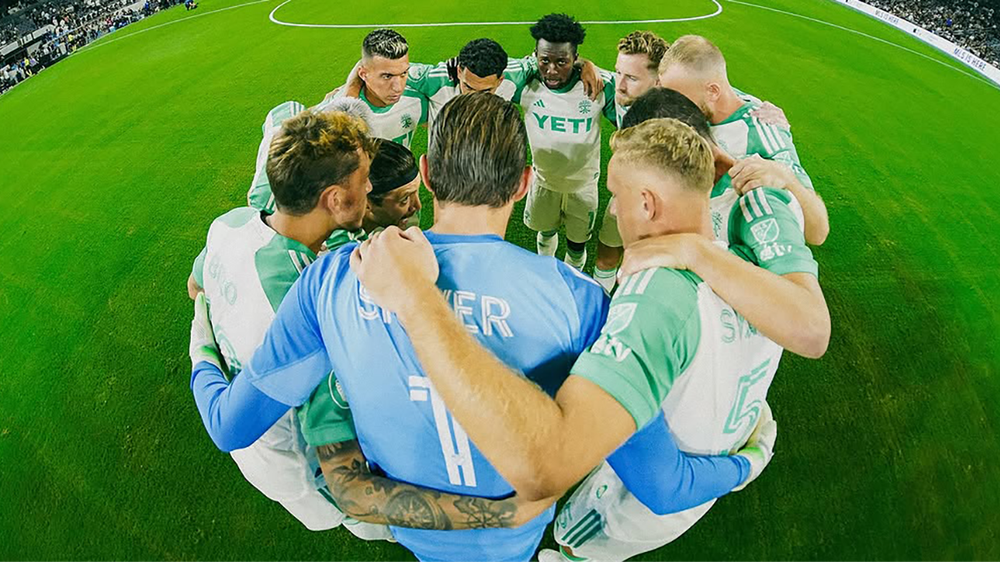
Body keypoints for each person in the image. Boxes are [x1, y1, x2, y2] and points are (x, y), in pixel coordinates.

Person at [189, 93, 762, 562]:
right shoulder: (584, 302)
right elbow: (661, 485)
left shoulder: (334, 278)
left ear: (428, 174)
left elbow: (233, 426)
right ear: (522, 185)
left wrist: (204, 341)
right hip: (514, 542)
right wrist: (747, 460)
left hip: (412, 531)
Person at [658, 35, 830, 246]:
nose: (673, 106)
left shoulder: (763, 131)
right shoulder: (698, 98)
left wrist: (785, 177)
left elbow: (818, 231)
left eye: (680, 99)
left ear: (713, 91)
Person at [518, 13, 616, 271]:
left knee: (577, 245)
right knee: (546, 233)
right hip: (544, 182)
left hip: (582, 186)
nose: (551, 69)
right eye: (544, 60)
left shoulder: (596, 86)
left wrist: (587, 66)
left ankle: (571, 280)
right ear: (534, 56)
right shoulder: (524, 84)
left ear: (574, 58)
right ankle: (547, 274)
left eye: (562, 61)